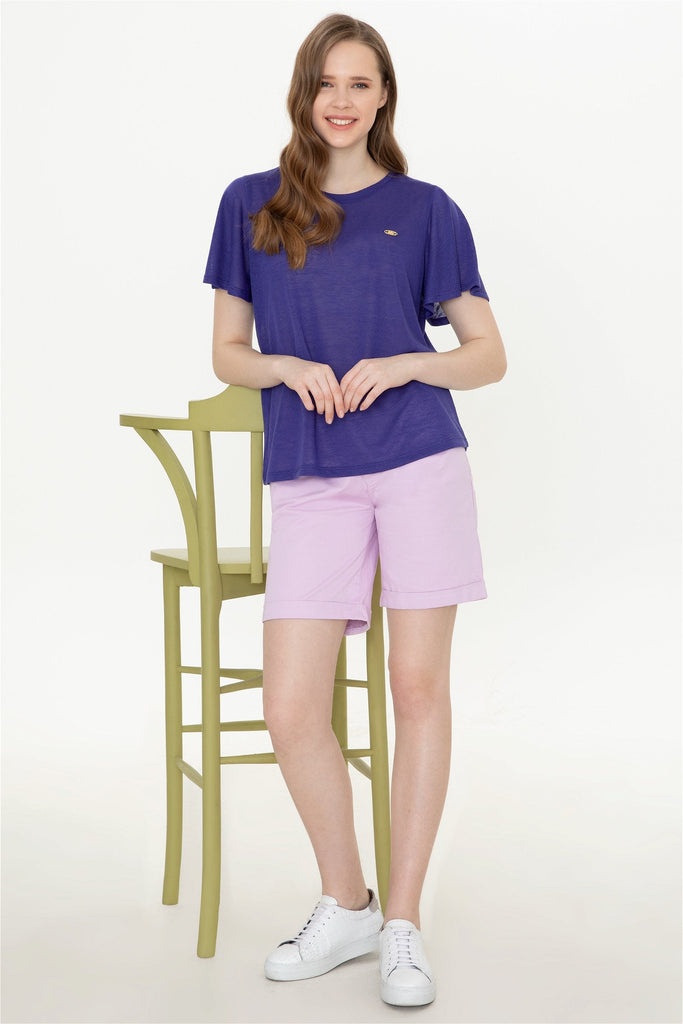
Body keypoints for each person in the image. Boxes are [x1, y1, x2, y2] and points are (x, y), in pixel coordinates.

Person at [203, 13, 506, 1008]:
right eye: (327, 82)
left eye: (360, 84)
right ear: (304, 92)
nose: (342, 100)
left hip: (418, 460)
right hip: (311, 474)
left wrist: (406, 360)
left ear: (383, 98)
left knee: (416, 690)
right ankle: (349, 902)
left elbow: (486, 355)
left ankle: (403, 922)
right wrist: (285, 367)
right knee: (290, 706)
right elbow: (227, 353)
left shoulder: (425, 211)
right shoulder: (251, 204)